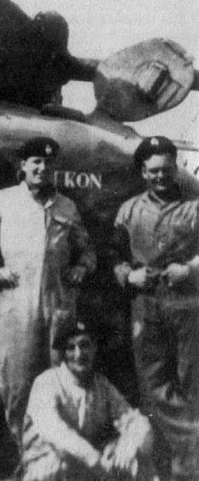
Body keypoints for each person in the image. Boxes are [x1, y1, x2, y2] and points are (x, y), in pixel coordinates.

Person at [0, 137, 95, 443]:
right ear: (24, 166)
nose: (43, 169)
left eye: (48, 163)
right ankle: (25, 449)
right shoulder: (5, 200)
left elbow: (87, 250)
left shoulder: (66, 206)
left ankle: (57, 453)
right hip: (19, 306)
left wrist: (82, 267)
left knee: (62, 379)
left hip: (59, 306)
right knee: (19, 382)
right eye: (36, 163)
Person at [111, 136, 199, 480]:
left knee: (192, 381)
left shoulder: (195, 207)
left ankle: (187, 465)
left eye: (166, 169)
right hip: (146, 305)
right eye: (153, 171)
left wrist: (190, 269)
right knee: (152, 385)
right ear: (143, 173)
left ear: (175, 167)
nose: (160, 177)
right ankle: (177, 457)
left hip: (189, 306)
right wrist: (128, 275)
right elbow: (114, 257)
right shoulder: (129, 210)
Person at [19, 316, 155, 481]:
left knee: (132, 460)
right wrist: (96, 461)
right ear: (63, 353)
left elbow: (137, 422)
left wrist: (129, 445)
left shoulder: (101, 385)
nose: (78, 354)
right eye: (71, 348)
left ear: (94, 348)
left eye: (84, 345)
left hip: (88, 468)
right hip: (48, 465)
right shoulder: (46, 383)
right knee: (57, 465)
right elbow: (58, 434)